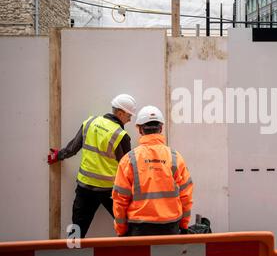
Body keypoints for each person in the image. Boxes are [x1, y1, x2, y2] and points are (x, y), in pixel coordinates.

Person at [47, 94, 137, 238]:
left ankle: (72, 254)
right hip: (110, 191)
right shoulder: (120, 135)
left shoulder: (90, 122)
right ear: (120, 113)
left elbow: (72, 148)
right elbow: (127, 168)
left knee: (76, 230)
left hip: (85, 188)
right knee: (128, 227)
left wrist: (57, 156)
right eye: (129, 115)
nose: (130, 119)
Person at [112, 105, 194, 237]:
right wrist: (184, 225)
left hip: (139, 228)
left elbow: (120, 199)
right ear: (161, 128)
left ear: (140, 130)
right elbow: (186, 195)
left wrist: (121, 230)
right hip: (170, 226)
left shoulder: (129, 159)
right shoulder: (175, 157)